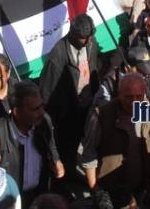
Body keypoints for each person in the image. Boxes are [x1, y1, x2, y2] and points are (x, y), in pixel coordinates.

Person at [81, 74, 150, 208]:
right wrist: (96, 191)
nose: (134, 102)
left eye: (139, 96)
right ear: (119, 94)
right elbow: (89, 154)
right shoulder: (102, 115)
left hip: (143, 185)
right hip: (112, 189)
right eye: (129, 97)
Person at [39, 14, 99, 178]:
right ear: (72, 34)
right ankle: (62, 180)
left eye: (90, 37)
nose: (87, 41)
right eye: (83, 38)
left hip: (87, 104)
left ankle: (71, 171)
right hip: (66, 111)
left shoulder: (91, 43)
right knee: (64, 145)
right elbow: (47, 91)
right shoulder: (58, 55)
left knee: (79, 141)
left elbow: (94, 67)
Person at [0, 81, 64, 207]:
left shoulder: (44, 122)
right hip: (9, 199)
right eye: (35, 109)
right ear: (16, 111)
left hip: (38, 194)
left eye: (42, 106)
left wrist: (56, 159)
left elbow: (50, 144)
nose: (41, 112)